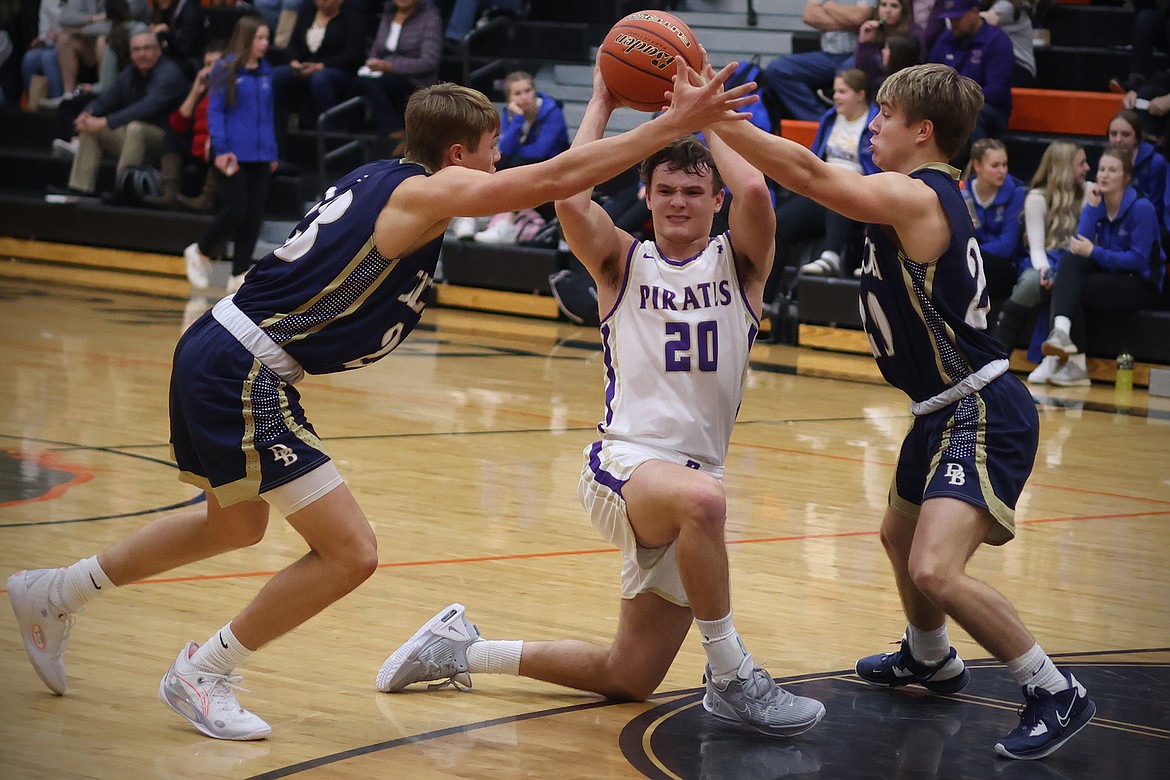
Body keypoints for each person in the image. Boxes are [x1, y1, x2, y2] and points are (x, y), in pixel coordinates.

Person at [6, 60, 758, 741]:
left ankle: (55, 591)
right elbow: (548, 183)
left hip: (223, 351)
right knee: (350, 553)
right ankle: (204, 672)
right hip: (245, 366)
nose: (499, 163)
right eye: (491, 150)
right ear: (458, 156)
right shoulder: (425, 190)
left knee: (232, 526)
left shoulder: (379, 180)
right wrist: (668, 125)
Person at [375, 62, 827, 740]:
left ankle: (461, 650)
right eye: (666, 189)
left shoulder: (742, 265)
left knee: (629, 675)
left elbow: (759, 190)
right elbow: (569, 198)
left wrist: (708, 117)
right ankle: (731, 677)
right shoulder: (622, 260)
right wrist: (601, 101)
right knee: (704, 503)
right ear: (646, 196)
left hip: (691, 480)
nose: (679, 201)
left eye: (693, 191)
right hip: (623, 465)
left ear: (714, 202)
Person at [709, 63, 1096, 760]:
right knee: (898, 536)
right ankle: (928, 656)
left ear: (922, 131)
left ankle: (1053, 688)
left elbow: (810, 176)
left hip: (980, 406)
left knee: (935, 570)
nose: (874, 126)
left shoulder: (915, 193)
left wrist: (712, 118)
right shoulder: (916, 193)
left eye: (885, 115)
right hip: (941, 407)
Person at [1040, 147, 1164, 386]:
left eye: (1113, 170)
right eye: (1102, 169)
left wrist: (1095, 251)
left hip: (1141, 283)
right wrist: (1092, 209)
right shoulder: (1099, 202)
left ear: (1126, 177)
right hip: (1112, 276)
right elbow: (1079, 245)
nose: (1104, 175)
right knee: (1069, 263)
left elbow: (1138, 260)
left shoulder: (1142, 208)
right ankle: (1061, 332)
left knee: (1074, 286)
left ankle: (1073, 365)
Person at [183, 16, 277, 294]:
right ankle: (199, 250)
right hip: (231, 153)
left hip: (260, 154)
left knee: (254, 215)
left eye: (266, 39)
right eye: (259, 38)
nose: (264, 44)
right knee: (237, 209)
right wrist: (222, 149)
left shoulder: (265, 70)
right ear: (246, 39)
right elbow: (215, 112)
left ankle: (239, 274)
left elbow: (269, 115)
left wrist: (272, 150)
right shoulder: (224, 69)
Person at [990, 141, 1091, 384]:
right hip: (1043, 260)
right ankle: (996, 357)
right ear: (1065, 168)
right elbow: (1036, 247)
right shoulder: (1037, 197)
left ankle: (1050, 361)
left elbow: (1087, 239)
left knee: (1064, 283)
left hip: (1075, 263)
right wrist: (1045, 270)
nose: (1088, 168)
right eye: (1081, 163)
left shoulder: (1090, 192)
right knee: (1031, 284)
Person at [769, 68, 877, 287]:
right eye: (835, 91)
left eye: (842, 91)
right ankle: (766, 298)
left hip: (860, 191)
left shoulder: (875, 122)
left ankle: (832, 255)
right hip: (824, 185)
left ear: (860, 94)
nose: (835, 96)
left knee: (839, 186)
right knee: (777, 224)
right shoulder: (831, 118)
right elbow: (815, 154)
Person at [61, 28, 186, 195]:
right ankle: (79, 189)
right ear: (131, 53)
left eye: (147, 48)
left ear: (158, 50)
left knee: (135, 127)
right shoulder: (130, 73)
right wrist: (85, 116)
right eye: (136, 50)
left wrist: (105, 121)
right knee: (92, 128)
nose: (142, 54)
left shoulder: (170, 73)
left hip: (168, 143)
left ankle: (122, 190)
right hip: (133, 139)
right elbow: (106, 99)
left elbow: (146, 107)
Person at [473, 70, 569, 244]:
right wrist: (517, 119)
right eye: (517, 93)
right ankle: (471, 215)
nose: (524, 97)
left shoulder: (552, 112)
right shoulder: (510, 114)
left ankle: (507, 221)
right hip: (524, 169)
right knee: (497, 161)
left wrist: (514, 151)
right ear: (509, 98)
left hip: (553, 168)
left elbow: (541, 151)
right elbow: (505, 148)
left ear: (534, 91)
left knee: (514, 162)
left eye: (527, 91)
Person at [928, 0, 1013, 165]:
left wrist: (958, 100)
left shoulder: (997, 41)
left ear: (974, 12)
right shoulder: (945, 38)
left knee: (972, 115)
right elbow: (930, 76)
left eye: (958, 18)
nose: (953, 23)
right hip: (948, 103)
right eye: (950, 19)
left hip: (987, 108)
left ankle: (971, 171)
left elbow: (996, 91)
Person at [143, 40, 225, 210]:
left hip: (217, 151)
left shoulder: (231, 91)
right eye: (207, 64)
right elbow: (178, 123)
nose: (210, 69)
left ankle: (207, 198)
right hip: (197, 148)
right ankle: (170, 193)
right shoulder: (201, 91)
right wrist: (195, 91)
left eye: (215, 64)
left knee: (222, 142)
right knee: (171, 134)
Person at [763, 0, 877, 121]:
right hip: (826, 56)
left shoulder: (829, 3)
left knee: (845, 73)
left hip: (859, 53)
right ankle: (821, 121)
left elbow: (858, 17)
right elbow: (808, 16)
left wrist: (828, 5)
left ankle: (847, 123)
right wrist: (849, 23)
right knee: (778, 69)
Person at [356, 0, 442, 152]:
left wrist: (392, 66)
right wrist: (372, 63)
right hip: (383, 74)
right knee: (358, 81)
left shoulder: (429, 17)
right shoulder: (388, 14)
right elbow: (376, 48)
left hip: (414, 78)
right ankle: (352, 132)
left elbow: (429, 61)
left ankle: (394, 132)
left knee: (374, 84)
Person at [271, 0, 364, 131]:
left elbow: (354, 54)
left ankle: (329, 131)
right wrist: (293, 61)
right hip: (304, 65)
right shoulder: (308, 9)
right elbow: (292, 44)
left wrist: (321, 65)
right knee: (276, 75)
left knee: (320, 79)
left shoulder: (352, 14)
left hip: (337, 69)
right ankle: (278, 127)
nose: (321, 3)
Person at [962, 137, 1025, 301]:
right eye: (995, 165)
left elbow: (1007, 246)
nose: (1002, 171)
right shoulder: (963, 193)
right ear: (977, 166)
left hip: (1004, 266)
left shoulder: (1016, 193)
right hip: (971, 261)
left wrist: (970, 252)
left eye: (1005, 165)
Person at [1107, 109, 1168, 232]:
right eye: (1113, 134)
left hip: (1146, 227)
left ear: (1137, 138)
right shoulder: (1105, 161)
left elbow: (1156, 209)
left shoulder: (1156, 163)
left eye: (1125, 134)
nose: (1118, 140)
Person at [853, 0, 925, 91]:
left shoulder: (914, 34)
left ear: (903, 11)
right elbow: (862, 72)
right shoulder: (872, 30)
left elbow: (919, 68)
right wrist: (863, 43)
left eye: (894, 6)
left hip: (903, 87)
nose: (888, 10)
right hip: (875, 89)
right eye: (883, 5)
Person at [981, 0, 1035, 87]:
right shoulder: (986, 5)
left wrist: (959, 12)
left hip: (1019, 66)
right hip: (998, 61)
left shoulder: (1007, 6)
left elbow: (980, 20)